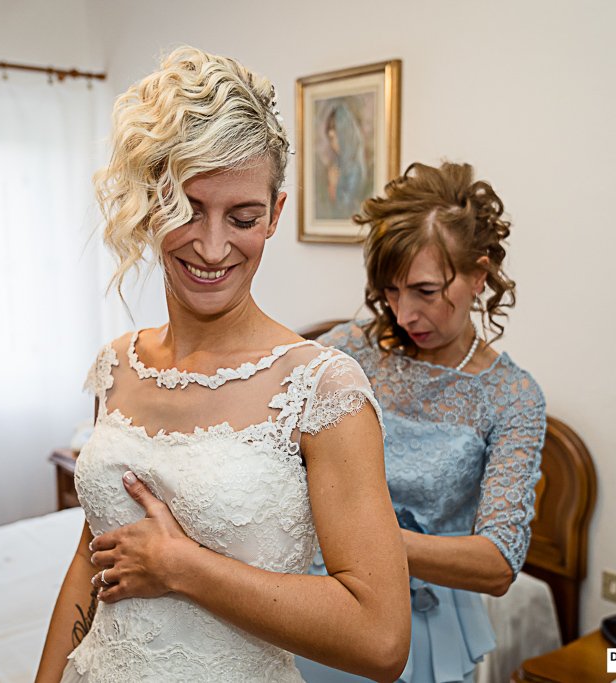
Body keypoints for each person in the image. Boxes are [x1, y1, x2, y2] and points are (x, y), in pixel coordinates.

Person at [34, 47, 410, 683]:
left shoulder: (323, 390)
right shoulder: (116, 367)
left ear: (275, 215)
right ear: (150, 205)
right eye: (186, 211)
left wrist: (182, 566)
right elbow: (91, 559)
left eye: (243, 218)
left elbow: (380, 641)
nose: (212, 247)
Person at [295, 161, 547, 683]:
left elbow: (498, 564)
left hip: (422, 619)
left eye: (425, 291)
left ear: (479, 275)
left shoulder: (512, 398)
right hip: (318, 593)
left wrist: (358, 535)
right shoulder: (348, 350)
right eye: (391, 291)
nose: (405, 313)